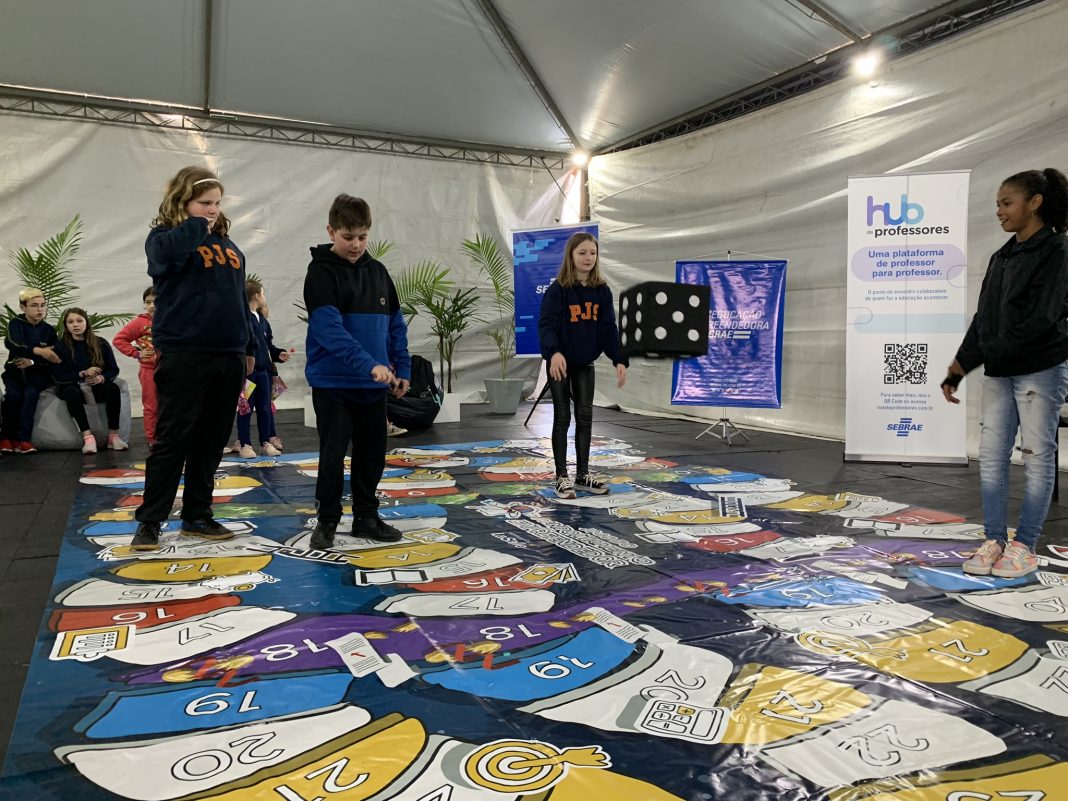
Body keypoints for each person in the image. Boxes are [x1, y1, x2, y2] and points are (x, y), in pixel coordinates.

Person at [944, 168, 1068, 579]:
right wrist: (958, 368)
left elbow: (1043, 318)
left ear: (1035, 203)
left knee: (1037, 457)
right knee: (992, 456)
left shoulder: (1058, 251)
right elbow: (984, 320)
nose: (999, 211)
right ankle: (994, 539)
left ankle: (1025, 546)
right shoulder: (1001, 256)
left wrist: (990, 352)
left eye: (1006, 203)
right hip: (1000, 372)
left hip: (1040, 371)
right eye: (998, 203)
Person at [131, 166, 254, 551]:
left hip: (228, 352)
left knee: (212, 440)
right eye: (204, 203)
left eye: (217, 203)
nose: (213, 209)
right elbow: (161, 260)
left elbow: (238, 297)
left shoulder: (227, 243)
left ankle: (197, 515)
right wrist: (195, 224)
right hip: (185, 351)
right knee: (172, 439)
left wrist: (250, 347)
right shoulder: (163, 237)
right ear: (183, 201)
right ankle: (150, 521)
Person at [304, 194, 411, 549]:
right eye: (348, 237)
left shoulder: (378, 272)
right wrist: (369, 364)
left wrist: (402, 367)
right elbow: (329, 331)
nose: (356, 245)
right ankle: (327, 520)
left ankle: (366, 517)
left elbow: (396, 325)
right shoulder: (320, 273)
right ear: (330, 231)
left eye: (363, 236)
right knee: (332, 455)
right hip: (334, 384)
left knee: (372, 456)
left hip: (374, 388)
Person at [538, 232, 628, 499]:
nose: (588, 258)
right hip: (560, 364)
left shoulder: (602, 291)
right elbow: (547, 325)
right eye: (582, 253)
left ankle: (582, 475)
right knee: (562, 417)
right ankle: (561, 476)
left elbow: (608, 329)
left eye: (593, 253)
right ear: (571, 255)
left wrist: (619, 359)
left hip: (585, 363)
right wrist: (554, 353)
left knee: (585, 417)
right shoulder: (558, 290)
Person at [53, 307, 127, 453]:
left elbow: (113, 369)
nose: (75, 325)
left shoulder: (100, 343)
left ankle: (113, 436)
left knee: (113, 389)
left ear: (86, 322)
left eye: (79, 321)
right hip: (72, 385)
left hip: (95, 385)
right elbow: (58, 375)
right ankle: (88, 438)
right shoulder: (61, 346)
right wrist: (82, 373)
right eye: (70, 322)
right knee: (71, 392)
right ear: (66, 325)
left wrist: (101, 377)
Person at [1, 288, 59, 454]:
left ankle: (24, 440)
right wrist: (39, 351)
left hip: (38, 374)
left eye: (42, 305)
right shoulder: (15, 324)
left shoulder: (49, 330)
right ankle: (6, 438)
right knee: (13, 396)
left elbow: (52, 356)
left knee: (30, 394)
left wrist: (32, 360)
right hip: (15, 372)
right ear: (23, 307)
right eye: (34, 305)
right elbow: (14, 344)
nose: (40, 309)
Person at [236, 280, 289, 457]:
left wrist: (278, 354)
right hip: (248, 374)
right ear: (256, 296)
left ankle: (265, 442)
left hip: (263, 373)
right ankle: (245, 444)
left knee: (265, 408)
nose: (264, 297)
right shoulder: (244, 318)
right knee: (245, 408)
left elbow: (267, 346)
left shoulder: (263, 321)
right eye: (263, 293)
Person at [112, 286, 159, 446]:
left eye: (156, 301)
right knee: (151, 405)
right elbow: (119, 340)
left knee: (172, 405)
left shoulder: (173, 320)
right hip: (149, 370)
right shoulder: (141, 322)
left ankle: (171, 436)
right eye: (148, 302)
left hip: (171, 370)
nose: (152, 305)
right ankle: (153, 438)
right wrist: (136, 353)